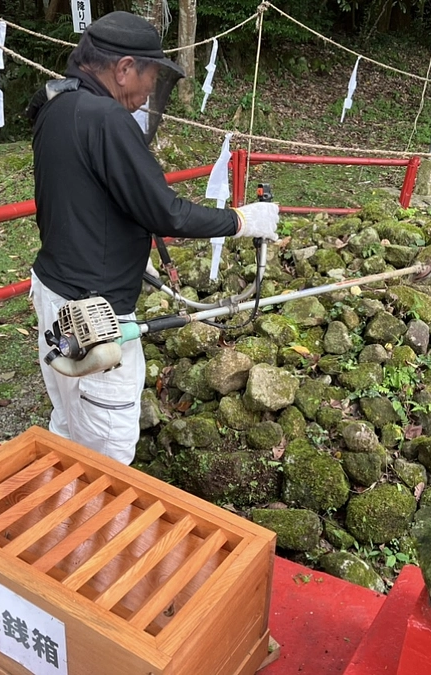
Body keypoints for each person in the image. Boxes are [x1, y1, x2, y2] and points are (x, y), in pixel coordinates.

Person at [28, 11, 279, 465]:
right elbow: (166, 211)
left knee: (67, 424)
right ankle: (94, 533)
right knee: (108, 450)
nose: (148, 94)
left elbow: (83, 198)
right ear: (123, 68)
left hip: (51, 290)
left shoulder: (56, 103)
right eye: (149, 77)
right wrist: (241, 220)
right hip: (93, 317)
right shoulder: (106, 118)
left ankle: (61, 525)